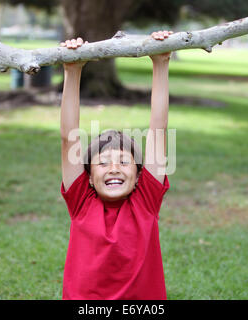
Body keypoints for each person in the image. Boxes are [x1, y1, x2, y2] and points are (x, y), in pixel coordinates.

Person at [59, 30, 173, 300]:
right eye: (103, 163)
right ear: (87, 176)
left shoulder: (146, 200)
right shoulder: (81, 202)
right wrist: (73, 71)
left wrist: (160, 63)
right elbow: (68, 137)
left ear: (139, 174)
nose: (113, 168)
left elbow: (158, 129)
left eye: (124, 161)